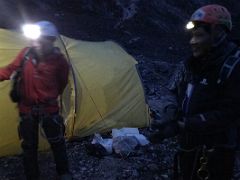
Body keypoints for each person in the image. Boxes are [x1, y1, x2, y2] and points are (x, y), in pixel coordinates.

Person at [150, 4, 240, 180]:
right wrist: (170, 114)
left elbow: (229, 113)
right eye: (192, 35)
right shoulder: (190, 65)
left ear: (217, 33)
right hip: (189, 146)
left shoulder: (233, 67)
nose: (193, 42)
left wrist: (183, 125)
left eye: (199, 35)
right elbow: (174, 91)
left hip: (217, 150)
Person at [0, 21, 72, 180]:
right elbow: (9, 70)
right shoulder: (26, 54)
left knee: (57, 142)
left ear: (50, 40)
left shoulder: (60, 61)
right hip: (27, 110)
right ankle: (32, 176)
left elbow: (62, 83)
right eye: (34, 40)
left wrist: (49, 97)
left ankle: (63, 173)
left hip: (49, 110)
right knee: (29, 147)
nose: (35, 43)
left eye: (39, 40)